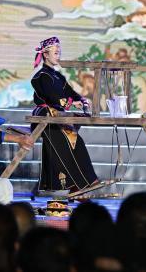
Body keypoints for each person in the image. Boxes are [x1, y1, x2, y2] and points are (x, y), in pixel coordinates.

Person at [31, 37, 98, 192]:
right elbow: (52, 97)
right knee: (67, 140)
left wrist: (81, 99)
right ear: (45, 55)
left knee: (76, 141)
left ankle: (85, 182)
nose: (58, 55)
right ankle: (79, 184)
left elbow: (69, 92)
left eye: (59, 52)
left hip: (56, 116)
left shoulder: (58, 76)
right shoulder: (40, 76)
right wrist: (71, 103)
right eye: (55, 53)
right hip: (44, 116)